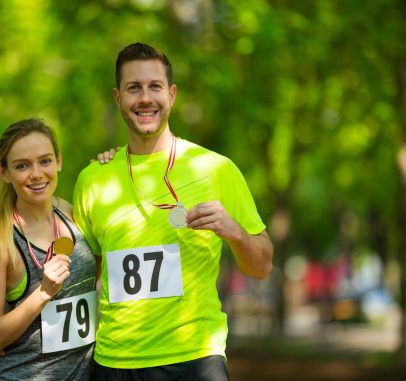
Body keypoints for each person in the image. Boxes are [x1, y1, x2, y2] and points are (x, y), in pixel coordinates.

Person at [72, 42, 274, 381]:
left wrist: (235, 232)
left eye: (155, 86)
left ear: (173, 94)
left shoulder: (217, 169)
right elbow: (80, 280)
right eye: (133, 88)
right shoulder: (92, 180)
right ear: (117, 97)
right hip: (114, 362)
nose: (145, 98)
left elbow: (263, 266)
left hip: (195, 358)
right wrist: (19, 341)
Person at [0, 118, 98, 380]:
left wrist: (110, 161)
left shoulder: (68, 212)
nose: (37, 174)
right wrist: (43, 293)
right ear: (4, 172)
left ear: (59, 161)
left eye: (45, 161)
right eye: (22, 165)